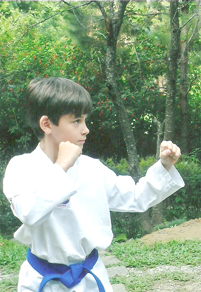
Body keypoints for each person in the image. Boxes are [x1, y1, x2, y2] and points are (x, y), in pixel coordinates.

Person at [3, 77, 185, 292]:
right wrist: (61, 167)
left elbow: (135, 197)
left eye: (85, 121)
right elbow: (28, 212)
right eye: (76, 121)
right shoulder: (22, 167)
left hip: (89, 278)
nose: (86, 129)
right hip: (41, 280)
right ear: (46, 124)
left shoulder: (91, 168)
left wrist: (164, 166)